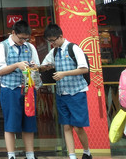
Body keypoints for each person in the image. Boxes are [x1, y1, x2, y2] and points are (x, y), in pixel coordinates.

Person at [39, 23, 92, 159]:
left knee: (78, 127)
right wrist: (41, 67)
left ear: (60, 36)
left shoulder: (74, 48)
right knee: (66, 126)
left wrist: (64, 74)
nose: (51, 43)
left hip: (76, 93)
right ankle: (72, 155)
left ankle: (87, 152)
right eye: (49, 41)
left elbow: (84, 69)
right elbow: (44, 65)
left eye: (53, 40)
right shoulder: (54, 51)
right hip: (61, 94)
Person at [0, 20, 40, 159]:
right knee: (11, 123)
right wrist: (17, 65)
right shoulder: (2, 47)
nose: (23, 41)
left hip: (28, 90)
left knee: (29, 122)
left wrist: (33, 67)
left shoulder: (30, 47)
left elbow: (37, 67)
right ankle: (11, 155)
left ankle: (30, 155)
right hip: (10, 90)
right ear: (13, 33)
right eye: (21, 38)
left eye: (26, 38)